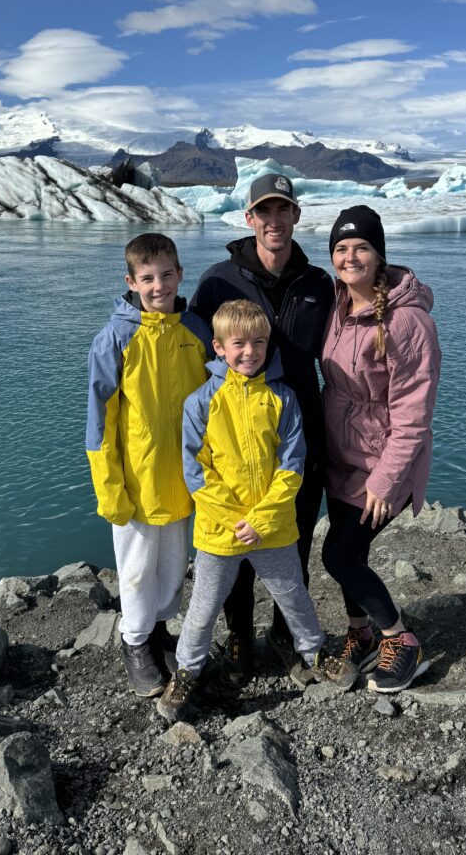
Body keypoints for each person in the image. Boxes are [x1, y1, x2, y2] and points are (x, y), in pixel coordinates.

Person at [156, 300, 356, 720]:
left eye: (259, 342)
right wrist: (235, 520)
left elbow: (292, 466)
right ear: (219, 347)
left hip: (273, 528)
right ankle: (187, 670)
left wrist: (261, 520)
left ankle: (315, 654)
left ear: (269, 345)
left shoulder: (283, 399)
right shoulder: (201, 403)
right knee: (205, 606)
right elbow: (197, 473)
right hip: (220, 532)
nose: (249, 352)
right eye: (239, 344)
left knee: (295, 596)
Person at [189, 169, 333, 686]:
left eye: (283, 210)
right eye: (263, 211)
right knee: (234, 552)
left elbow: (347, 343)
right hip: (231, 445)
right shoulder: (216, 282)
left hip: (298, 437)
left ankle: (284, 636)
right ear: (248, 218)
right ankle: (238, 638)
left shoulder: (319, 284)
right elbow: (193, 357)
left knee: (291, 547)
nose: (274, 221)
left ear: (296, 215)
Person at [320, 205, 442, 694]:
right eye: (341, 248)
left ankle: (400, 638)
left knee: (339, 556)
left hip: (381, 464)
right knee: (352, 551)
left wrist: (387, 479)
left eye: (362, 247)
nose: (351, 257)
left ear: (380, 254)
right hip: (339, 456)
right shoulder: (338, 305)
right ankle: (361, 632)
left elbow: (414, 415)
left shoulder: (408, 323)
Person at [86, 233, 212, 698]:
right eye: (147, 278)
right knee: (137, 568)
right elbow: (100, 421)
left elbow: (215, 401)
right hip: (136, 482)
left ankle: (159, 631)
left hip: (183, 478)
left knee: (173, 563)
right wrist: (109, 487)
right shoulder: (116, 338)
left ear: (180, 274)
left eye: (166, 275)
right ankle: (135, 642)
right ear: (131, 282)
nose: (158, 285)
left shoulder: (196, 331)